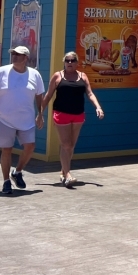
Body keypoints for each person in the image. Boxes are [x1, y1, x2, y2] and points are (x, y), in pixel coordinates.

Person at [0, 45, 45, 195]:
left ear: (26, 58)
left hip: (27, 120)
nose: (14, 56)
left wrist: (40, 114)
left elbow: (39, 96)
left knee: (30, 146)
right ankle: (6, 181)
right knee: (7, 149)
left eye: (18, 54)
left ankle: (17, 172)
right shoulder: (1, 72)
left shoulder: (35, 75)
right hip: (5, 119)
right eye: (13, 54)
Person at [43, 51, 104, 188]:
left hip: (78, 114)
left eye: (72, 60)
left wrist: (98, 107)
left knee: (70, 146)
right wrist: (40, 112)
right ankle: (68, 174)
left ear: (77, 63)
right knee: (66, 145)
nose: (70, 63)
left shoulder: (83, 76)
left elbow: (90, 93)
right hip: (61, 113)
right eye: (67, 60)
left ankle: (63, 172)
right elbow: (48, 95)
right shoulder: (58, 76)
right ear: (64, 62)